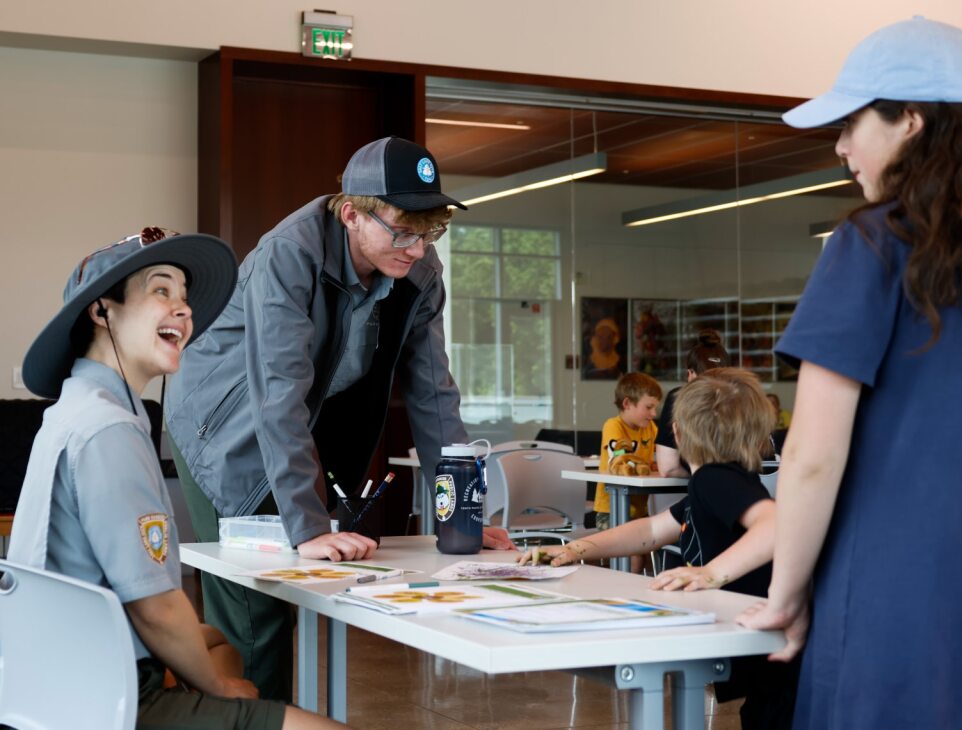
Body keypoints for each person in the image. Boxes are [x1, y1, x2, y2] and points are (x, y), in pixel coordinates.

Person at [738, 17, 962, 730]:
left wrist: (786, 590)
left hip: (895, 592)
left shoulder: (872, 243)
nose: (840, 147)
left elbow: (812, 453)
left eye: (851, 123)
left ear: (911, 121)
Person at [164, 136, 515, 700]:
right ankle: (247, 716)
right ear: (351, 214)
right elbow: (277, 392)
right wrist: (307, 528)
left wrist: (462, 518)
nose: (417, 249)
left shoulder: (419, 272)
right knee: (256, 607)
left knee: (295, 590)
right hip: (220, 427)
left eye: (430, 232)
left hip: (298, 422)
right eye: (404, 231)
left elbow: (434, 395)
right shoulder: (289, 254)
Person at [8, 228, 346, 729]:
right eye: (161, 290)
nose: (183, 310)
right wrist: (219, 691)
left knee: (218, 644)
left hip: (49, 671)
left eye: (184, 297)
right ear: (102, 312)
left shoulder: (77, 407)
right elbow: (156, 608)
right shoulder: (108, 428)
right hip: (100, 695)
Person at [522, 368, 796, 728]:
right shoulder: (715, 482)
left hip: (771, 647)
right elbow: (651, 530)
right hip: (765, 646)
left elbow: (775, 525)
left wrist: (711, 572)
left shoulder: (714, 479)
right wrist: (577, 548)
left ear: (677, 432)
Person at [592, 372, 662, 551]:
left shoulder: (650, 428)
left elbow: (661, 453)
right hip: (611, 510)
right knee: (635, 554)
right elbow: (620, 456)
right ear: (627, 404)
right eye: (649, 407)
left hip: (640, 511)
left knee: (650, 551)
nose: (654, 414)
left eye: (655, 408)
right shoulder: (613, 426)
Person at [655, 328, 729, 477]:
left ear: (690, 373)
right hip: (751, 486)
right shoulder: (743, 397)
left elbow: (668, 468)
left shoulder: (678, 398)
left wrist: (697, 477)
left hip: (703, 485)